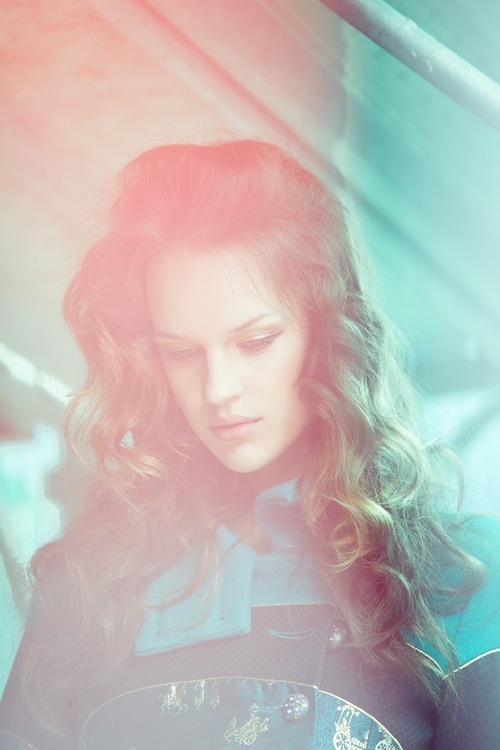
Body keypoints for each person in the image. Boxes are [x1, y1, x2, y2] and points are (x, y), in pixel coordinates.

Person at [0, 140, 498, 750]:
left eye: (256, 341)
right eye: (181, 352)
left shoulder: (461, 578)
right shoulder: (84, 586)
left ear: (328, 333)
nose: (218, 389)